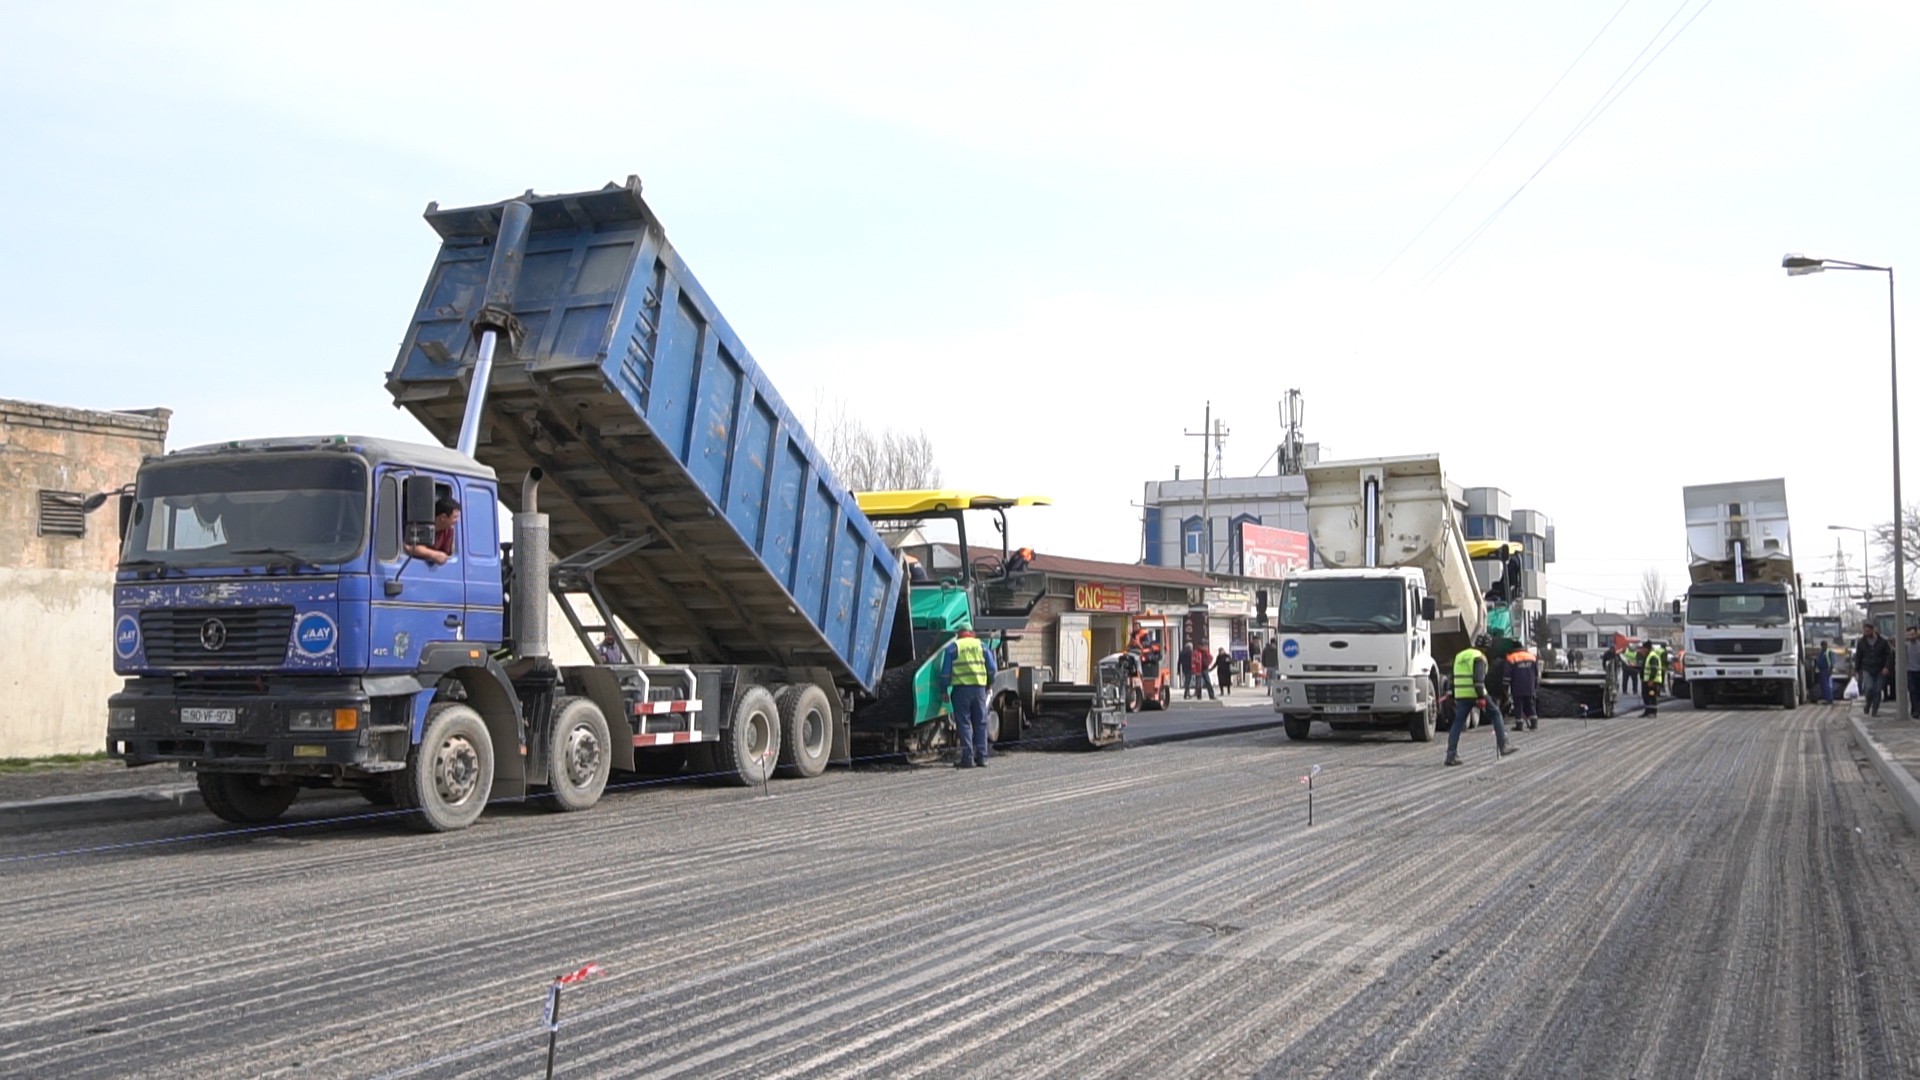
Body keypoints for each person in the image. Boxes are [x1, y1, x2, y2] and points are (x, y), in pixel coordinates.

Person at [1445, 633, 1514, 766]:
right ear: (1487, 647)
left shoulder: (1460, 655)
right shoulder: (1479, 658)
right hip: (1475, 692)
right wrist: (1481, 697)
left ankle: (1450, 755)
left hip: (1461, 694)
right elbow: (1478, 681)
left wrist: (1450, 694)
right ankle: (1503, 745)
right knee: (1496, 714)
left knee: (1457, 723)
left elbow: (1452, 678)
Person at [938, 628, 998, 767]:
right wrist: (989, 683)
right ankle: (982, 758)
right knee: (981, 723)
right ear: (972, 634)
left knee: (964, 724)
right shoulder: (982, 646)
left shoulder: (953, 648)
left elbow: (945, 673)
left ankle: (968, 759)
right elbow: (992, 669)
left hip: (961, 691)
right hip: (979, 690)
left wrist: (944, 690)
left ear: (959, 635)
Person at [405, 495, 461, 565]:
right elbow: (409, 547)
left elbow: (444, 555)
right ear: (443, 517)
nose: (457, 521)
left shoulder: (449, 532)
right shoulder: (421, 524)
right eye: (455, 517)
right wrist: (433, 555)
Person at [1854, 624, 1893, 717]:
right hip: (1867, 669)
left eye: (1868, 631)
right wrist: (1856, 670)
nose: (1866, 633)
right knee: (1869, 688)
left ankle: (1875, 710)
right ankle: (1868, 705)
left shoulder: (1882, 642)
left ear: (1873, 630)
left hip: (1880, 670)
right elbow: (1858, 656)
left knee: (1877, 690)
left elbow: (1889, 655)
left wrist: (1887, 667)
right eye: (1865, 631)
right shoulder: (1861, 642)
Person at [1506, 644, 1541, 731]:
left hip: (1517, 685)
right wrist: (1535, 685)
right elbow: (1536, 674)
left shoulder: (1511, 658)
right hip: (1530, 685)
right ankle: (1534, 723)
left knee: (1518, 705)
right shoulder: (1532, 657)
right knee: (1530, 704)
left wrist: (1505, 687)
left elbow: (1507, 675)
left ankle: (1519, 725)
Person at [1640, 641, 1667, 717]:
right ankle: (1647, 711)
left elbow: (1654, 669)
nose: (1642, 650)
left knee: (1652, 696)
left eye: (1643, 648)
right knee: (1645, 696)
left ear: (1647, 648)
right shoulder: (1647, 656)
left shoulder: (1653, 656)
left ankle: (1653, 712)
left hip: (1652, 682)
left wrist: (1651, 680)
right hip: (1646, 680)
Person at [1814, 640, 1835, 705]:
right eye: (1822, 645)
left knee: (1826, 685)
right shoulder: (1822, 652)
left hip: (1826, 670)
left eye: (1824, 645)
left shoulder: (1828, 652)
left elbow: (1832, 661)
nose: (1823, 647)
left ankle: (1829, 699)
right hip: (1821, 670)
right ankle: (1826, 698)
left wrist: (1831, 669)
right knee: (1823, 685)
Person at [1906, 627, 1920, 719]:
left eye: (1913, 634)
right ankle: (1915, 710)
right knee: (1912, 691)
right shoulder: (1906, 646)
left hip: (1919, 671)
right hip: (1910, 671)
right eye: (1909, 634)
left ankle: (1917, 709)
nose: (1911, 636)